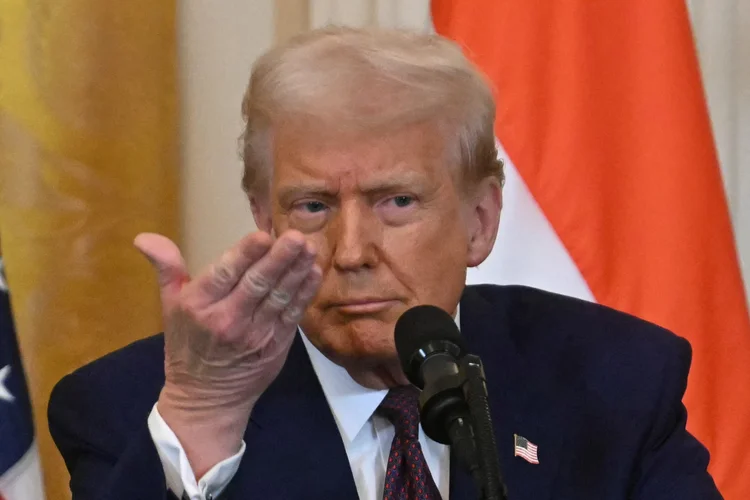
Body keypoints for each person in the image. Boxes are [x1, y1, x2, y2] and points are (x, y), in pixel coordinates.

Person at [48, 27, 722, 500]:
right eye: (312, 206)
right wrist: (203, 425)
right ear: (265, 219)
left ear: (480, 220)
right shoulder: (139, 408)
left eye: (396, 201)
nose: (349, 252)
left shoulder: (613, 383)